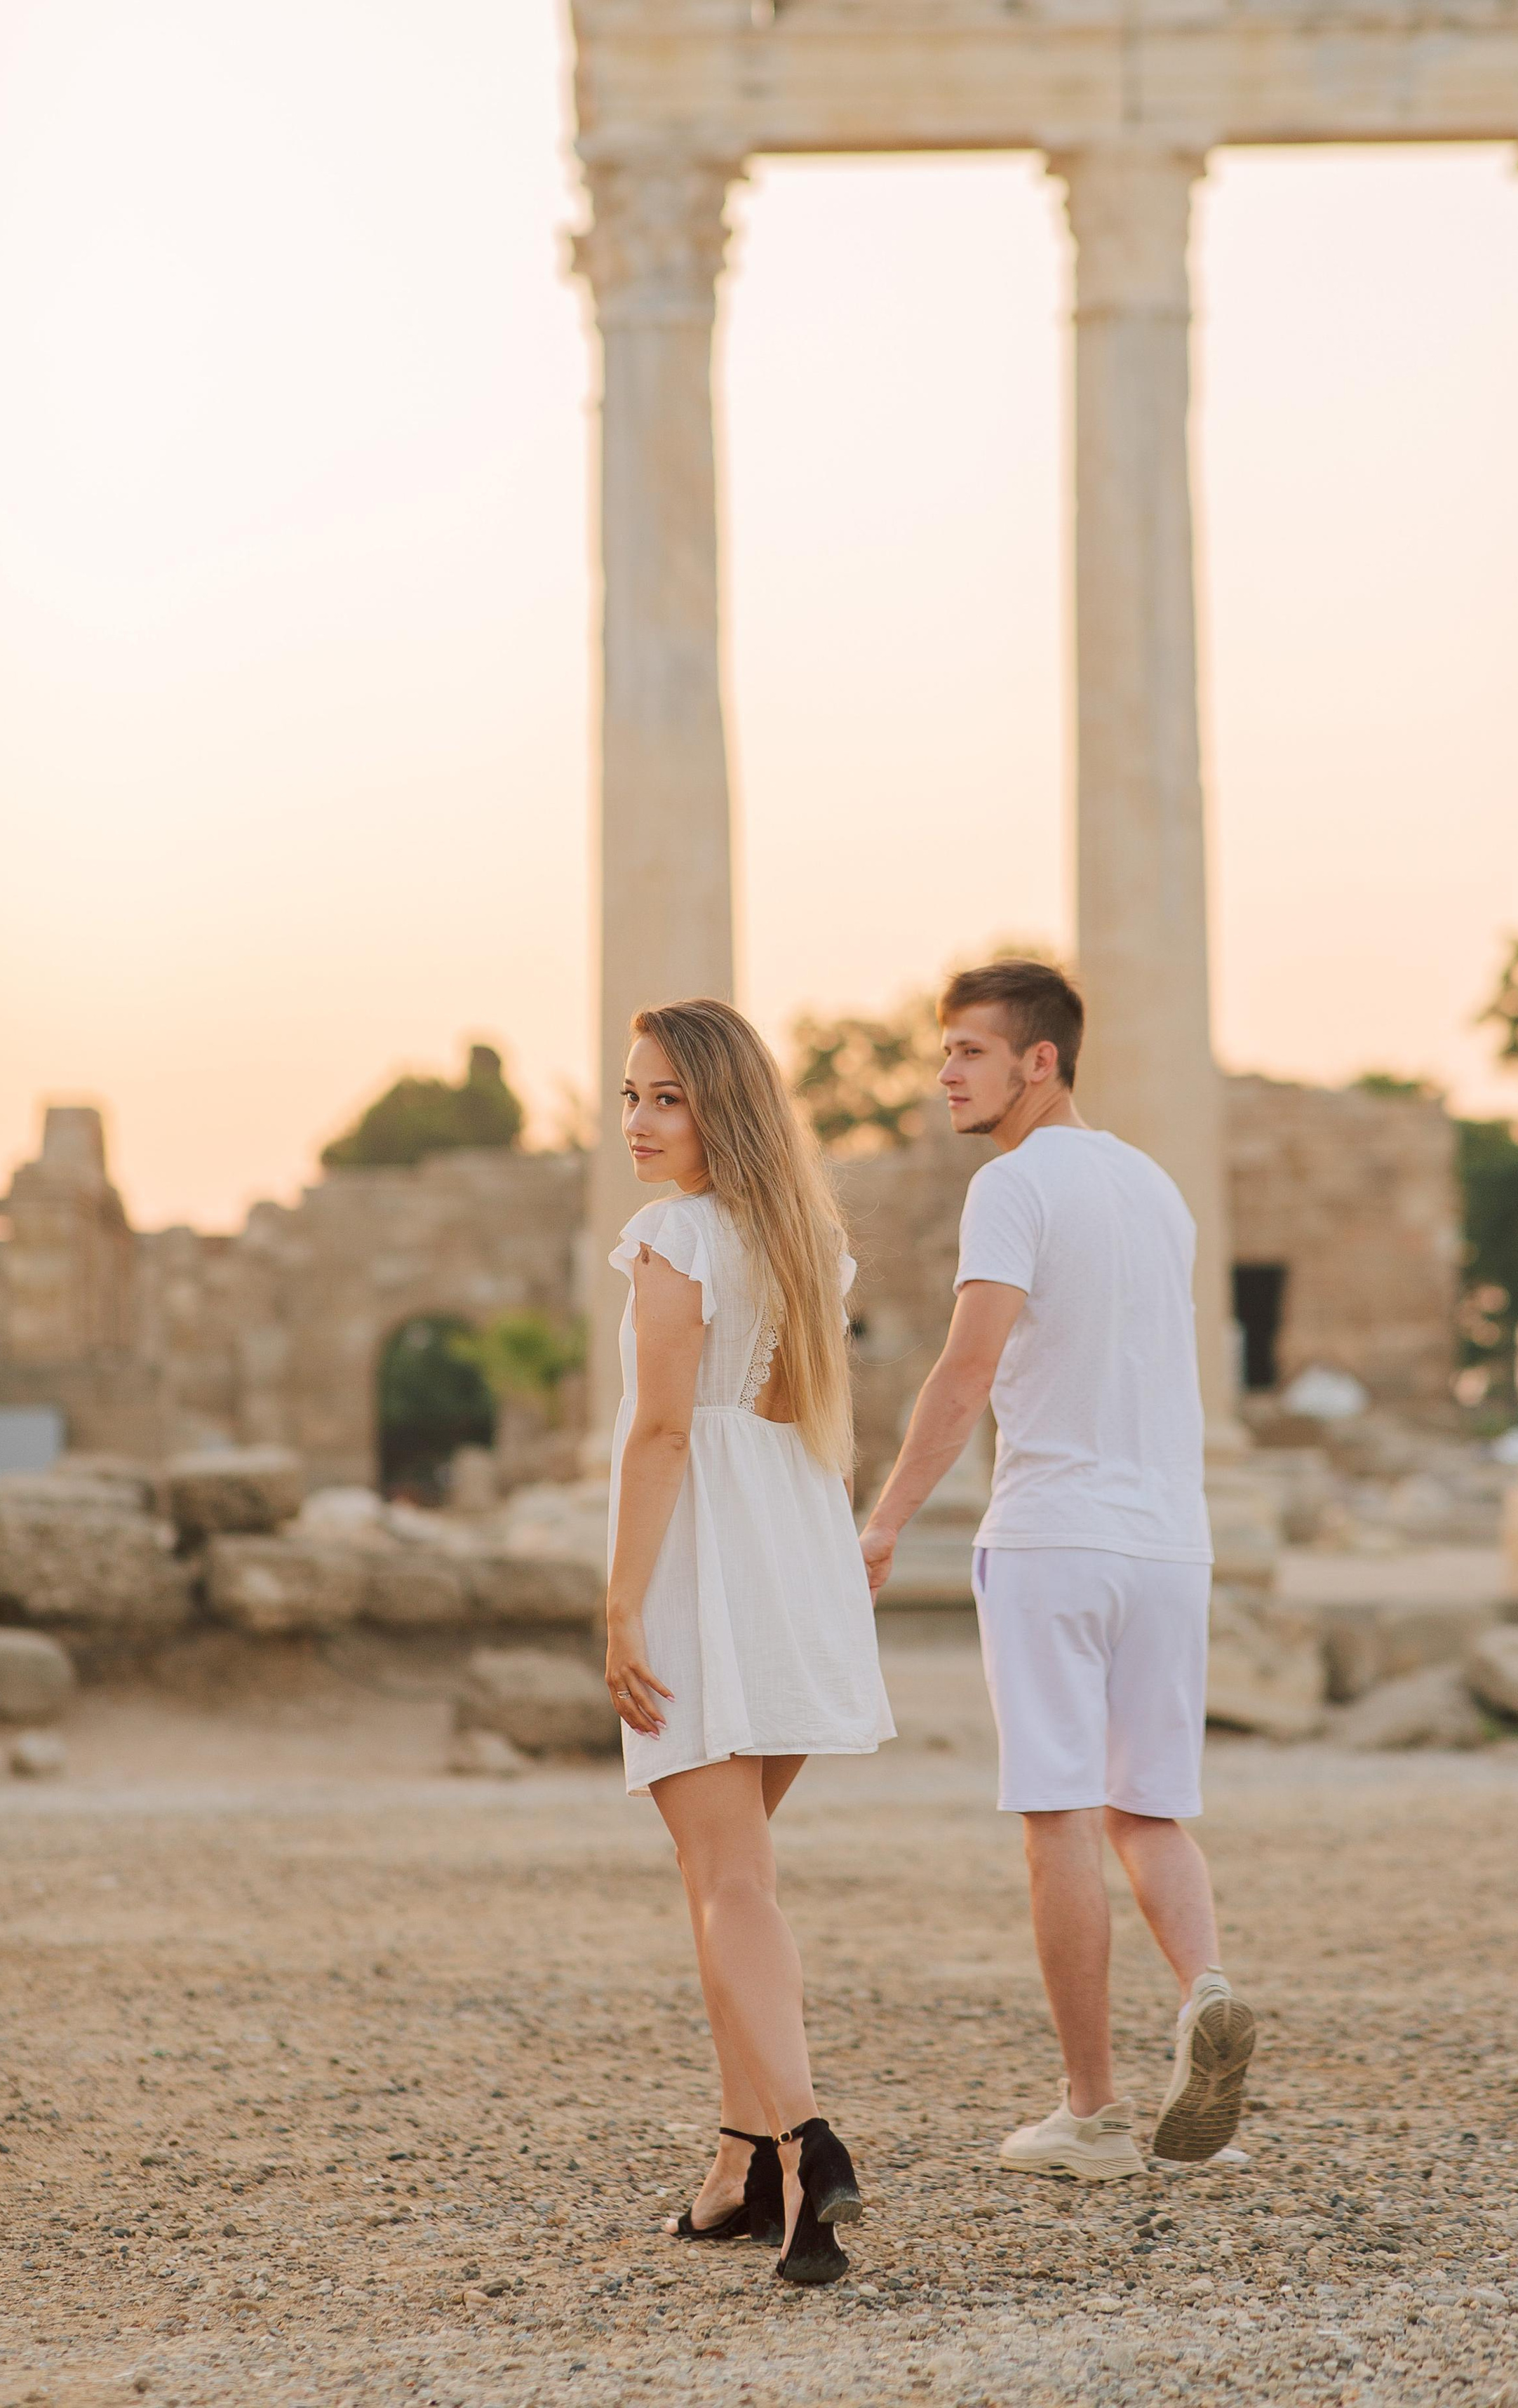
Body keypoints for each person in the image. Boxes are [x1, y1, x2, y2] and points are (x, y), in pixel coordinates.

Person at [858, 959, 1253, 2185]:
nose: (946, 1075)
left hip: (1052, 1536)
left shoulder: (1013, 1186)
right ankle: (1209, 1994)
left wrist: (881, 1525)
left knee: (1059, 1818)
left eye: (970, 1052)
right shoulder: (1158, 1188)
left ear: (1041, 1060)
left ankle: (1089, 2115)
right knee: (1151, 1809)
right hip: (1171, 1543)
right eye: (944, 1053)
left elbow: (965, 1373)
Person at [603, 996, 894, 2285]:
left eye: (669, 1095)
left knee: (731, 1882)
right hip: (794, 1548)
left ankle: (805, 2141)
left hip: (708, 1560)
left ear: (726, 1104)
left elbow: (663, 1434)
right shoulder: (806, 1243)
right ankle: (737, 2160)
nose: (641, 1122)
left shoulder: (672, 1239)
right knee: (727, 1877)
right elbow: (795, 1410)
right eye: (630, 1095)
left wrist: (620, 1605)